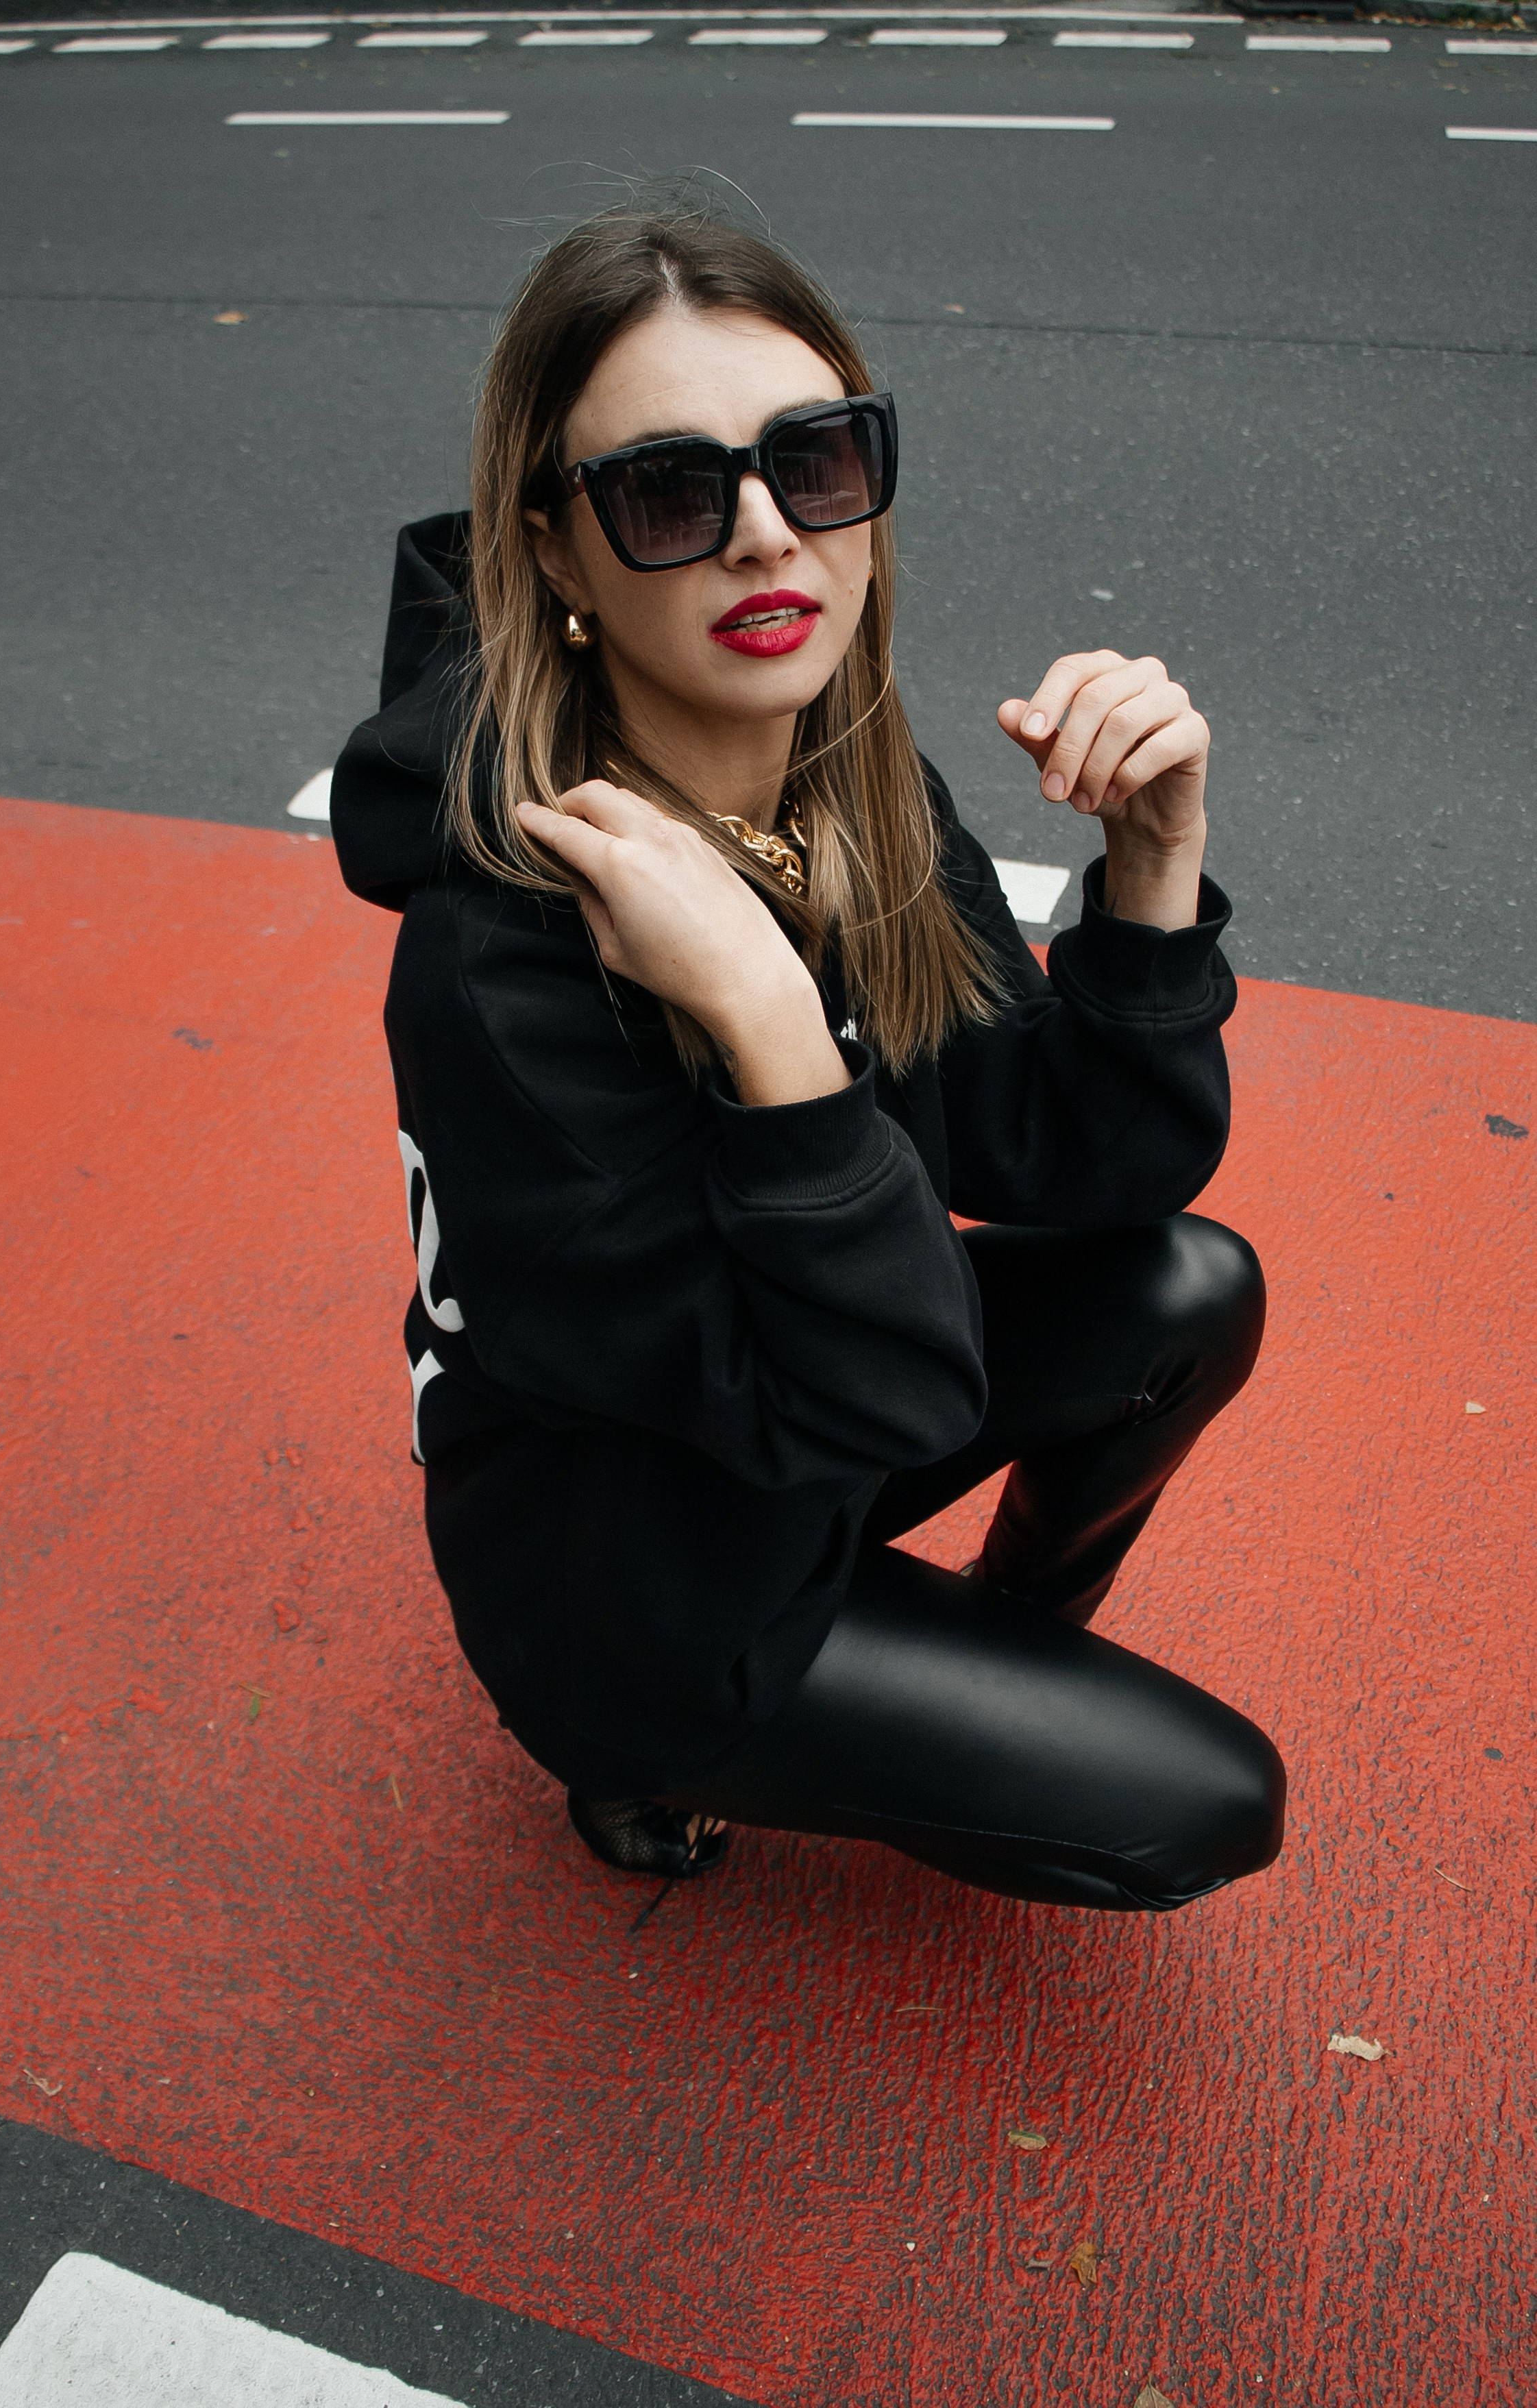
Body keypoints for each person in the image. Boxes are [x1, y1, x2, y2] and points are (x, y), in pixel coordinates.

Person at [331, 203, 1285, 1914]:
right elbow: (886, 1391)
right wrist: (770, 1026)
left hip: (810, 1398)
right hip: (636, 1577)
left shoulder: (835, 768)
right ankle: (656, 1745)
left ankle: (951, 1658)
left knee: (1186, 1284)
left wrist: (1146, 865)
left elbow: (1086, 1159)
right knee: (1202, 1803)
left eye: (817, 458)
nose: (765, 535)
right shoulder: (506, 954)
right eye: (671, 492)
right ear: (554, 553)